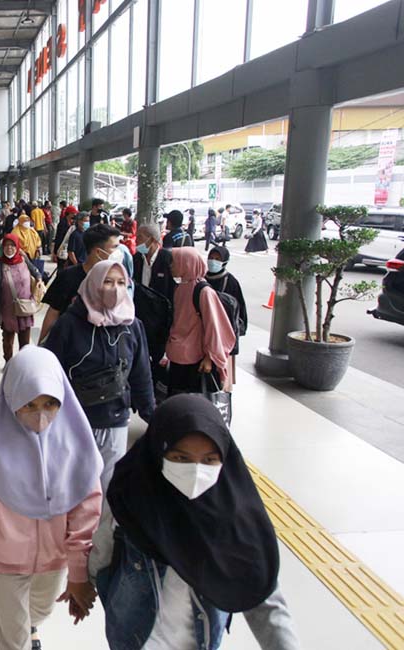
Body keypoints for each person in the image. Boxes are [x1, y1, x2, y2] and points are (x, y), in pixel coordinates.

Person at [94, 394, 300, 650]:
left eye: (209, 460)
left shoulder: (234, 521)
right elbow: (102, 553)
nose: (195, 471)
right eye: (181, 458)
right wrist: (85, 583)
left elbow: (263, 595)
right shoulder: (130, 498)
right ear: (157, 452)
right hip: (135, 639)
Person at [0, 346, 103, 650]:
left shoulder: (77, 445)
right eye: (28, 405)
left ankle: (32, 624)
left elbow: (87, 507)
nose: (41, 415)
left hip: (54, 557)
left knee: (42, 608)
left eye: (50, 403)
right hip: (5, 558)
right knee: (12, 635)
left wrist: (77, 569)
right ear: (10, 399)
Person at [43, 261, 156, 491]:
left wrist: (152, 416)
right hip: (76, 421)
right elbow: (50, 375)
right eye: (107, 281)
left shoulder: (132, 326)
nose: (115, 289)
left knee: (108, 486)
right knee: (74, 484)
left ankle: (102, 528)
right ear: (94, 283)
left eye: (121, 283)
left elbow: (141, 375)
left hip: (116, 420)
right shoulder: (69, 325)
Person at [166, 248, 236, 395]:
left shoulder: (203, 291)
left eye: (175, 262)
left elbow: (214, 328)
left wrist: (209, 358)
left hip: (197, 361)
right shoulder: (181, 288)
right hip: (179, 356)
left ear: (187, 263)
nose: (171, 265)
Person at [39, 224, 122, 341]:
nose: (120, 252)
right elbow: (53, 312)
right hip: (71, 345)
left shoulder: (117, 279)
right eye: (115, 247)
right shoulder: (67, 276)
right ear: (98, 252)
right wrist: (42, 346)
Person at [133, 224, 176, 397]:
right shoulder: (137, 259)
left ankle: (156, 393)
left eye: (140, 238)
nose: (137, 241)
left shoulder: (168, 259)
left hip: (161, 320)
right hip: (141, 317)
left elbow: (173, 293)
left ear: (152, 240)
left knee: (158, 358)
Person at [0, 235, 43, 362]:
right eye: (6, 245)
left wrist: (38, 278)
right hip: (7, 312)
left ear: (17, 247)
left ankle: (23, 365)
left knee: (25, 344)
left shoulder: (23, 259)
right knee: (7, 341)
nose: (9, 248)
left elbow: (34, 270)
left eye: (12, 245)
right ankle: (9, 364)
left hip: (24, 310)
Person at [207, 246, 249, 376]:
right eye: (211, 258)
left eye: (217, 259)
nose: (213, 261)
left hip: (225, 332)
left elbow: (240, 309)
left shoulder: (231, 282)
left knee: (223, 371)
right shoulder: (202, 277)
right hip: (207, 330)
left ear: (224, 261)